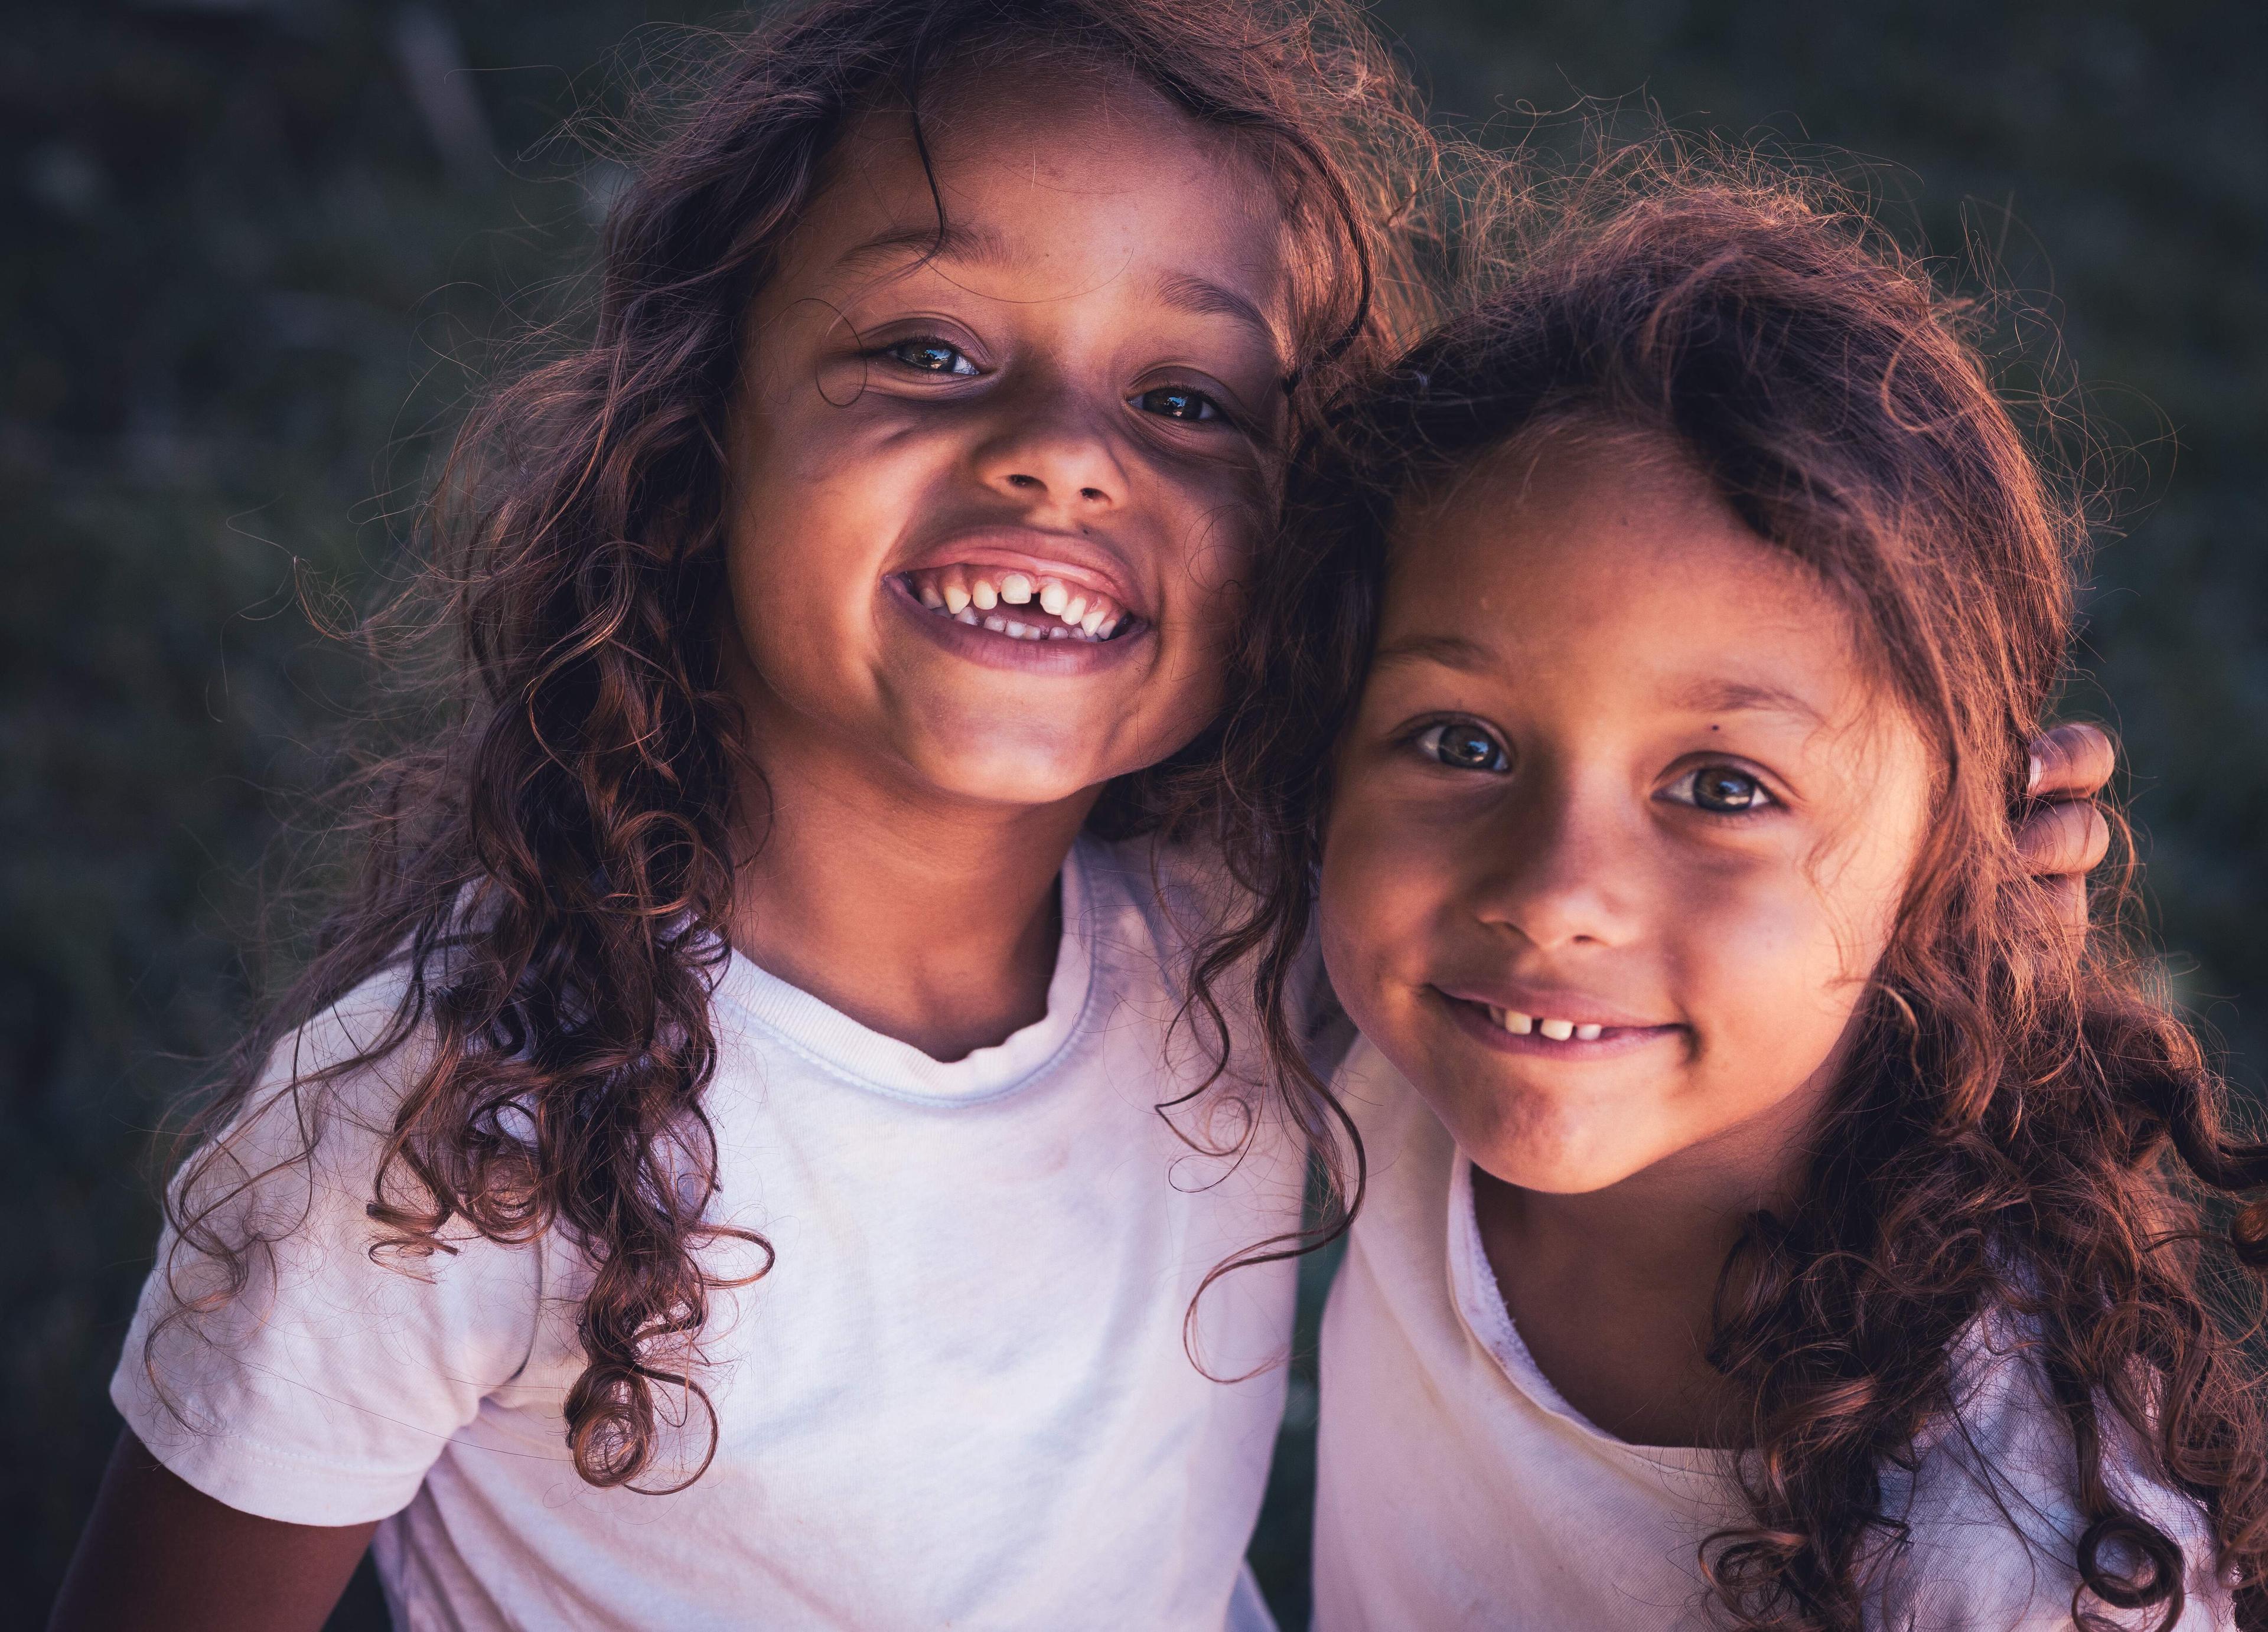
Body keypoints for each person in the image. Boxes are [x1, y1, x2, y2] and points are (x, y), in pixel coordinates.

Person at [47, 2, 1442, 1627]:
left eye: (1189, 399)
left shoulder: (1255, 944)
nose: (1066, 457)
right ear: (696, 433)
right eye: (931, 350)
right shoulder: (445, 1131)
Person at [1204, 155, 2254, 1628]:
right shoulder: (1384, 1031)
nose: (1554, 894)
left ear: (1950, 861)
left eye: (1720, 788)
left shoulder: (2011, 1556)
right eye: (1464, 742)